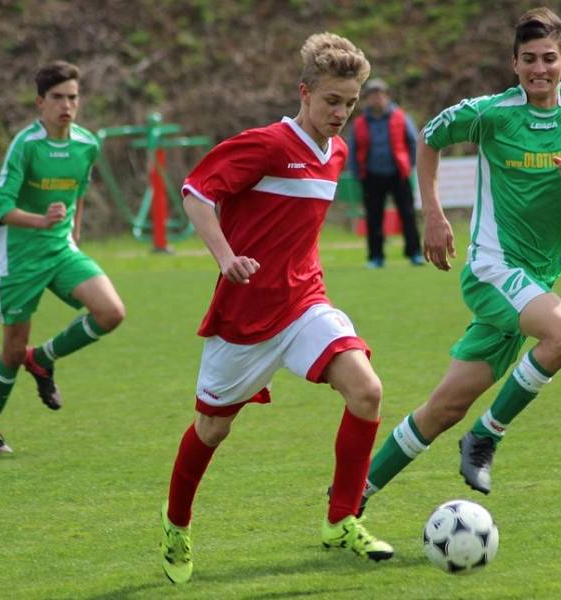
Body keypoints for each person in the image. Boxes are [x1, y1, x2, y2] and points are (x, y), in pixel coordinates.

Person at [348, 7, 561, 510]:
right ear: (514, 64)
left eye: (549, 58)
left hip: (536, 280)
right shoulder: (492, 112)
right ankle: (486, 436)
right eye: (528, 59)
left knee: (445, 406)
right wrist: (432, 216)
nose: (539, 69)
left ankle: (349, 498)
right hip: (492, 268)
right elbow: (429, 138)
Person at [160, 32, 393, 585]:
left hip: (304, 303)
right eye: (332, 100)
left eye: (350, 103)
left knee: (367, 391)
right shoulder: (265, 145)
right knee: (212, 430)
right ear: (304, 92)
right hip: (244, 317)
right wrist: (226, 257)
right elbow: (196, 192)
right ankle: (176, 524)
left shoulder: (336, 153)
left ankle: (341, 520)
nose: (341, 113)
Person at [0, 61, 125, 453]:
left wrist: (73, 237)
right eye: (57, 97)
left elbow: (78, 194)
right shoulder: (27, 145)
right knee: (11, 350)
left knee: (111, 312)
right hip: (20, 258)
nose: (66, 105)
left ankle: (43, 358)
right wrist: (41, 221)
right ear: (41, 103)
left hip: (61, 251)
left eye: (72, 97)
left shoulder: (87, 144)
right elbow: (0, 208)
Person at [348, 77, 423, 268]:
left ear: (387, 96)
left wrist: (410, 165)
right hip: (371, 175)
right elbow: (354, 149)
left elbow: (413, 142)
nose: (377, 98)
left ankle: (414, 253)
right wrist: (358, 174)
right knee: (373, 218)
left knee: (407, 215)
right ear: (367, 99)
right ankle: (376, 257)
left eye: (380, 94)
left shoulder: (400, 116)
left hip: (398, 174)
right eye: (373, 95)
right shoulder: (360, 123)